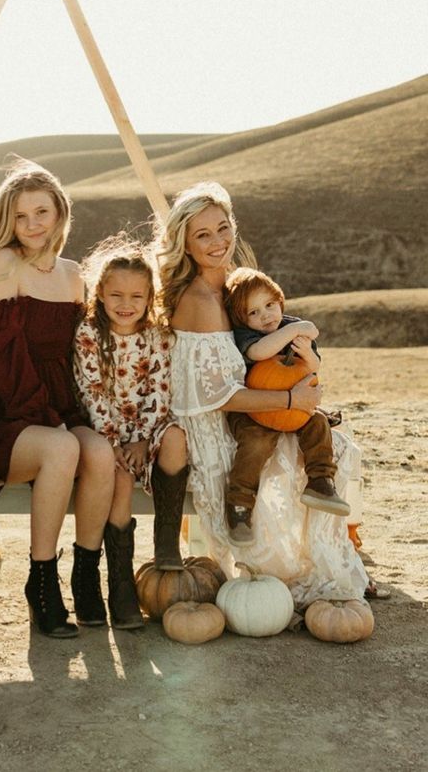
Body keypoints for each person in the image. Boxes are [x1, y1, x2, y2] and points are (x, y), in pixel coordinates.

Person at [154, 180, 368, 608]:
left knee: (337, 445)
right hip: (215, 426)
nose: (218, 242)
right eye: (203, 235)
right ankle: (289, 572)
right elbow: (218, 396)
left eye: (222, 228)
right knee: (282, 465)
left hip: (250, 412)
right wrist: (290, 403)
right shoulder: (201, 301)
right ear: (185, 244)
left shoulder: (230, 289)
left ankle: (334, 556)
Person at [0, 160, 115, 638]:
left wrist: (81, 415)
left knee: (101, 452)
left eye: (41, 213)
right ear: (8, 220)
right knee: (63, 447)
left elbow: (76, 355)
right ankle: (41, 580)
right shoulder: (4, 264)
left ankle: (87, 576)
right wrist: (47, 421)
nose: (31, 225)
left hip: (59, 404)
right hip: (6, 408)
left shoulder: (72, 275)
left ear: (60, 214)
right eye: (21, 216)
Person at [73, 236, 187, 629]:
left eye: (136, 296)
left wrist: (141, 437)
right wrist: (115, 442)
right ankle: (120, 584)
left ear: (149, 296)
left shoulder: (159, 336)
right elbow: (91, 391)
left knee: (176, 439)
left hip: (149, 429)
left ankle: (167, 541)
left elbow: (160, 388)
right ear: (100, 293)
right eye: (116, 294)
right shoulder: (89, 335)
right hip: (109, 437)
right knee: (119, 482)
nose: (126, 304)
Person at [222, 266, 350, 546]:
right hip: (254, 412)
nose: (265, 316)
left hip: (294, 408)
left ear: (280, 300)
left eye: (269, 305)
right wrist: (294, 329)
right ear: (242, 319)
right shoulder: (247, 335)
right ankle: (240, 504)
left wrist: (307, 354)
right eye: (253, 312)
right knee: (256, 443)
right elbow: (259, 352)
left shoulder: (290, 325)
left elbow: (313, 368)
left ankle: (320, 482)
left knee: (317, 423)